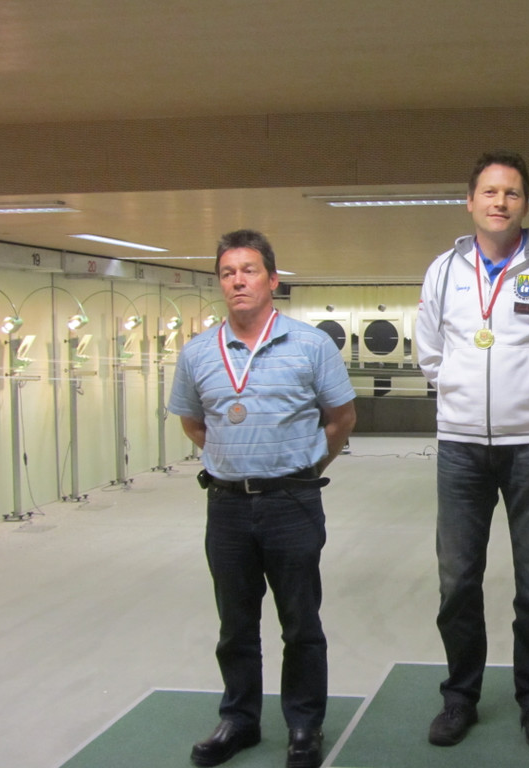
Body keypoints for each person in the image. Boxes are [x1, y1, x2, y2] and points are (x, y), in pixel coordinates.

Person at [414, 150, 529, 750]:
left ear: (526, 203)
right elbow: (429, 350)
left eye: (512, 192)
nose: (500, 202)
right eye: (490, 192)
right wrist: (460, 392)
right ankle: (460, 697)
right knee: (457, 582)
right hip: (460, 449)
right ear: (470, 201)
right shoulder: (444, 270)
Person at [168, 229, 356, 768]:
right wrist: (235, 460)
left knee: (301, 623)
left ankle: (304, 725)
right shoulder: (198, 352)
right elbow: (192, 422)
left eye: (248, 271)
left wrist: (305, 468)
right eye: (227, 273)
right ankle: (239, 720)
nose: (238, 281)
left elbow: (341, 418)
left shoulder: (311, 345)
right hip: (226, 506)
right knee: (235, 625)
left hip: (291, 503)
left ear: (272, 280)